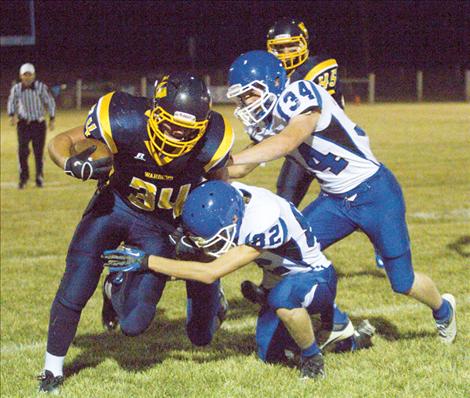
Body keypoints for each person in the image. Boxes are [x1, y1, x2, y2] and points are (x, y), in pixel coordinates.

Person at [226, 50, 457, 345]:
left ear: (272, 83)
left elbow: (287, 141)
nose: (244, 104)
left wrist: (227, 162)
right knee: (285, 250)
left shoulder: (300, 92)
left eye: (248, 95)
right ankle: (335, 323)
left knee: (403, 282)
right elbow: (244, 167)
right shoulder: (269, 119)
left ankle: (443, 308)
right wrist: (207, 172)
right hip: (335, 201)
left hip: (375, 194)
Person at [37, 73, 234, 393]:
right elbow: (60, 141)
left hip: (161, 226)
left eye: (187, 130)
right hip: (113, 208)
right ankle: (52, 369)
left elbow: (220, 190)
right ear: (154, 113)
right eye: (170, 125)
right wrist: (72, 163)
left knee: (135, 324)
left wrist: (199, 231)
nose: (175, 136)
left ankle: (115, 287)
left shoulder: (212, 140)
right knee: (77, 282)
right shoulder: (124, 118)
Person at [102, 180, 376, 379]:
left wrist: (146, 261)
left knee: (283, 297)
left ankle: (312, 358)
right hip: (281, 279)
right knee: (269, 354)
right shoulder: (230, 202)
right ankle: (339, 330)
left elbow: (210, 272)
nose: (207, 245)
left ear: (234, 219)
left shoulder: (262, 220)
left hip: (315, 278)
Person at [266, 18, 344, 206]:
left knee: (355, 201)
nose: (286, 53)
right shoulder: (274, 76)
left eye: (291, 46)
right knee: (284, 203)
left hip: (333, 146)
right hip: (301, 148)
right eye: (280, 48)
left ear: (304, 42)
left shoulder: (317, 68)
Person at [7, 63, 56, 188]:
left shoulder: (40, 87)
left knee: (38, 152)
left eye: (29, 74)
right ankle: (23, 178)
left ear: (34, 75)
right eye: (25, 75)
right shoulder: (16, 88)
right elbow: (11, 102)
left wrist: (52, 118)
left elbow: (50, 102)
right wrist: (12, 115)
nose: (27, 77)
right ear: (21, 76)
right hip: (23, 123)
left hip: (38, 124)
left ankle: (39, 177)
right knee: (22, 151)